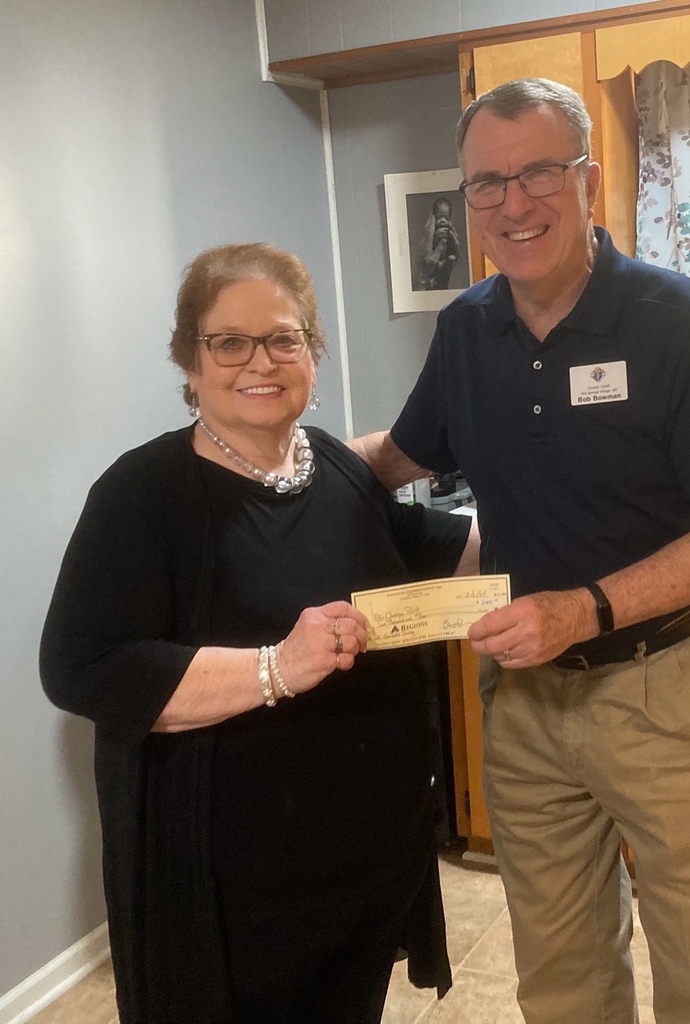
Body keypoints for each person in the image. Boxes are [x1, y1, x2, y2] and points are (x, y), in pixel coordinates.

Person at [349, 79, 690, 1024]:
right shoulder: (467, 328)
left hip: (670, 688)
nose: (513, 203)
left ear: (588, 180)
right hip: (529, 706)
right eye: (487, 183)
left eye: (539, 172)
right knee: (559, 985)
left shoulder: (678, 320)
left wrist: (582, 608)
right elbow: (398, 456)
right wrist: (275, 464)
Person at [40, 243, 478, 1024]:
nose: (260, 362)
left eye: (283, 338)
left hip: (364, 866)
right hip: (232, 890)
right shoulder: (143, 494)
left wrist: (549, 487)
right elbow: (83, 667)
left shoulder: (340, 472)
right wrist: (277, 666)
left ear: (313, 351)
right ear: (191, 358)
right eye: (229, 342)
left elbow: (436, 552)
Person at [418, 197, 461, 290]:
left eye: (446, 218)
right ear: (434, 217)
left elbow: (454, 246)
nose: (443, 221)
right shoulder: (431, 231)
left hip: (445, 261)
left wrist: (451, 238)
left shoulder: (449, 229)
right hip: (434, 262)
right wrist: (437, 238)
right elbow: (429, 246)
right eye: (439, 217)